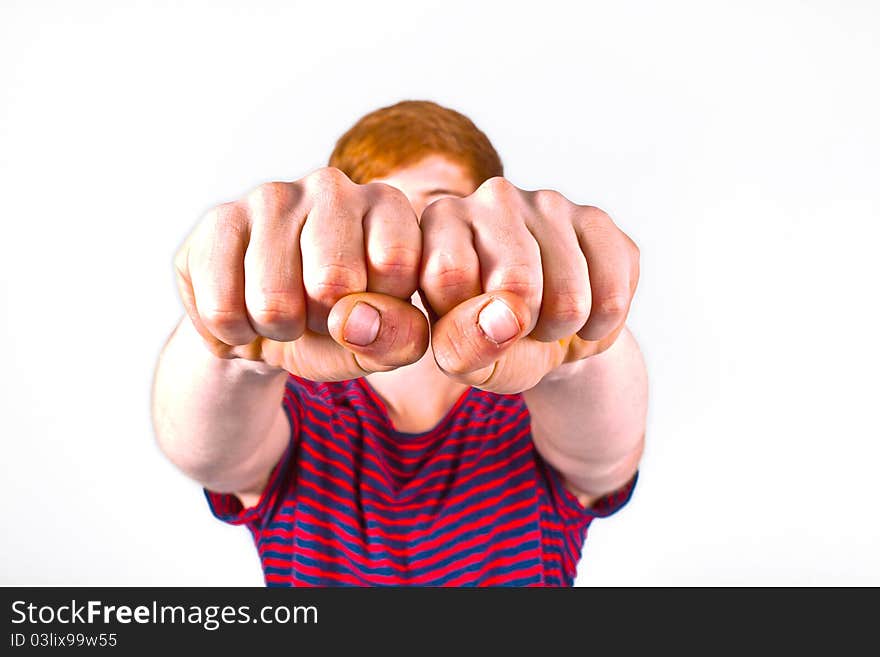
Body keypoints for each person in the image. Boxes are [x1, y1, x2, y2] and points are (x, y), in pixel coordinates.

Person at [151, 100, 648, 586]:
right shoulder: (301, 410)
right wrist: (233, 347)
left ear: (496, 230)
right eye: (380, 213)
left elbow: (605, 455)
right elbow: (208, 454)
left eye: (435, 211)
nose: (402, 244)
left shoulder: (533, 410)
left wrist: (572, 348)